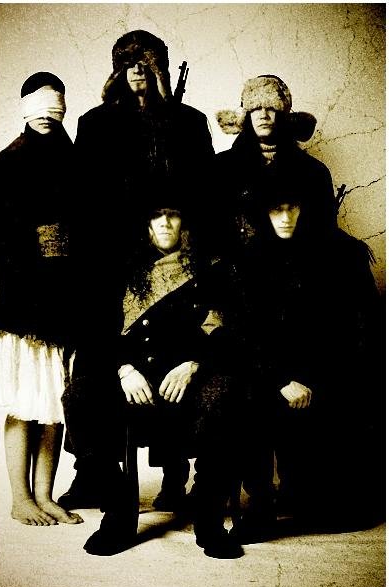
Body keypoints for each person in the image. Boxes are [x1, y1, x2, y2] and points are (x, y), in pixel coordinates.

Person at [58, 29, 215, 511]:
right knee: (92, 371)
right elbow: (81, 200)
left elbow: (206, 195)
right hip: (112, 262)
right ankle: (94, 473)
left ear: (159, 68)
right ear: (118, 71)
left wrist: (192, 253)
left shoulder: (188, 122)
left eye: (146, 65)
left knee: (173, 357)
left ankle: (175, 474)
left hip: (175, 256)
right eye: (129, 65)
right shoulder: (95, 123)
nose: (138, 73)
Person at [61, 199, 243, 559]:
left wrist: (195, 364)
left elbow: (228, 330)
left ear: (184, 223)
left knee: (224, 394)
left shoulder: (212, 270)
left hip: (189, 380)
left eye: (172, 215)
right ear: (146, 226)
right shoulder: (123, 270)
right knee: (79, 396)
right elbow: (98, 333)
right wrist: (124, 369)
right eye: (157, 217)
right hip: (135, 380)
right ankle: (118, 512)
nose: (165, 223)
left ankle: (208, 519)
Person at [229, 176, 383, 543]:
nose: (284, 218)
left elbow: (360, 336)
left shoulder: (343, 254)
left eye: (292, 208)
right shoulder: (252, 259)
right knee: (243, 394)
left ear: (307, 209)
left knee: (335, 504)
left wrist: (315, 382)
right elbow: (245, 334)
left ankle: (320, 497)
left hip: (332, 376)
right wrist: (280, 379)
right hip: (275, 377)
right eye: (275, 209)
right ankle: (261, 505)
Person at [0, 72, 82, 526]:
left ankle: (45, 494)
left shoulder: (76, 160)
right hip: (26, 301)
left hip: (68, 296)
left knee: (54, 402)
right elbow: (2, 246)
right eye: (39, 107)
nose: (48, 116)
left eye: (56, 107)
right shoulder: (6, 163)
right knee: (25, 400)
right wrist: (29, 294)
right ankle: (20, 498)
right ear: (25, 107)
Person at [214, 74, 337, 258]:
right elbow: (210, 232)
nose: (263, 115)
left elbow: (324, 235)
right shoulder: (221, 168)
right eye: (256, 108)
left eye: (271, 107)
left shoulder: (313, 172)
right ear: (246, 115)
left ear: (283, 114)